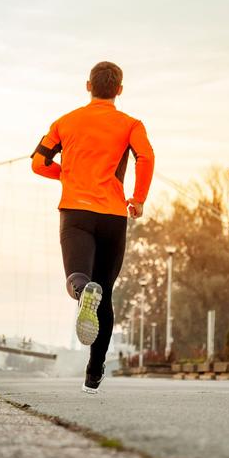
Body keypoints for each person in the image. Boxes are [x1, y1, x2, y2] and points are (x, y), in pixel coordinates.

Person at [31, 61, 155, 393]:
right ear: (120, 90)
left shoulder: (65, 122)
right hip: (113, 216)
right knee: (106, 295)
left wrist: (67, 173)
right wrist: (138, 198)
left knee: (78, 278)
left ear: (88, 85)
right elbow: (146, 157)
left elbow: (38, 163)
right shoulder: (131, 125)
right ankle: (94, 371)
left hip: (75, 213)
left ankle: (82, 290)